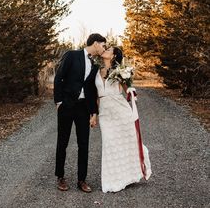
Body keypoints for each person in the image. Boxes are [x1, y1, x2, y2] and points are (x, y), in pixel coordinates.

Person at [54, 33, 106, 193]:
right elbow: (59, 77)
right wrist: (59, 101)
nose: (103, 48)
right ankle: (60, 177)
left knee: (84, 144)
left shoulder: (95, 64)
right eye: (103, 45)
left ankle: (81, 180)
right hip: (67, 105)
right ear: (96, 43)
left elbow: (91, 91)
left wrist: (93, 112)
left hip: (83, 108)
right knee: (62, 142)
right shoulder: (72, 55)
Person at [96, 46, 152, 193]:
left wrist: (131, 91)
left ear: (113, 56)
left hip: (120, 109)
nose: (105, 50)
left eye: (108, 50)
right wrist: (93, 114)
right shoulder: (95, 70)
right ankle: (113, 178)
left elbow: (127, 88)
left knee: (127, 140)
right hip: (105, 113)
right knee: (109, 143)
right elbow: (95, 96)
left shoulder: (120, 71)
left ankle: (128, 175)